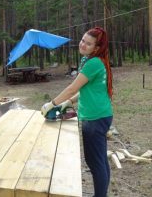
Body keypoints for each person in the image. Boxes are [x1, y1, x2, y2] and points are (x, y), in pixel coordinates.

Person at [41, 27, 113, 197]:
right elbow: (85, 90)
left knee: (95, 162)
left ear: (96, 48)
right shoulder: (91, 60)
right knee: (100, 159)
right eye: (82, 40)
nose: (83, 44)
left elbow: (72, 87)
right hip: (100, 115)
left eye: (88, 44)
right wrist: (69, 102)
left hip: (95, 118)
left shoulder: (93, 63)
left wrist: (52, 104)